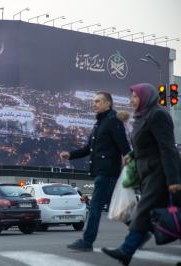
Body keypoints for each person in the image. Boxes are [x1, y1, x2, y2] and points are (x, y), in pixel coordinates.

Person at [102, 83, 181, 265]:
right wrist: (131, 155)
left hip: (160, 173)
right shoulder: (141, 117)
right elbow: (144, 145)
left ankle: (126, 250)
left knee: (142, 211)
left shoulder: (158, 115)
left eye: (136, 96)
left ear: (146, 97)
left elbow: (167, 148)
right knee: (159, 216)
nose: (132, 100)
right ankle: (127, 251)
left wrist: (174, 180)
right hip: (147, 174)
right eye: (132, 97)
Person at [60, 91, 130, 251]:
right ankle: (142, 230)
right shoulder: (99, 123)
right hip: (102, 171)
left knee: (96, 206)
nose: (94, 104)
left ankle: (87, 241)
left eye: (98, 101)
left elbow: (124, 145)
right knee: (119, 207)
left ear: (108, 103)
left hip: (107, 172)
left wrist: (129, 160)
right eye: (94, 101)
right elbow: (88, 149)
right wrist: (70, 155)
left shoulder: (113, 120)